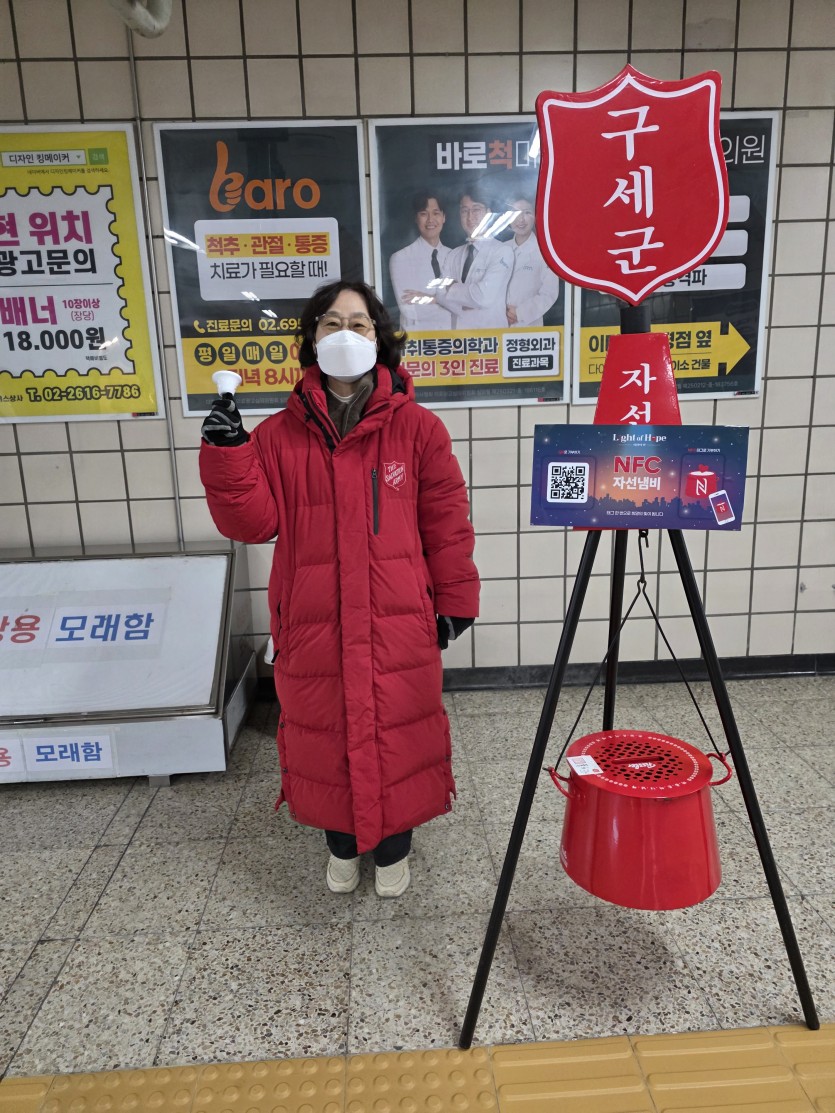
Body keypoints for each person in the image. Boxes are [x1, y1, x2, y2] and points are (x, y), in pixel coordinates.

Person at [199, 280, 479, 899]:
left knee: (401, 731)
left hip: (397, 618)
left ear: (379, 339)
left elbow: (446, 523)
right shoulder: (277, 436)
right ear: (311, 339)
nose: (345, 334)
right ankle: (342, 846)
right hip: (313, 619)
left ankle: (395, 848)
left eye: (359, 323)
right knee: (323, 736)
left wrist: (456, 602)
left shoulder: (419, 430)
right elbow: (253, 523)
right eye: (331, 323)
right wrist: (227, 454)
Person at [406, 188, 514, 329]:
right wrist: (468, 304)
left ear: (488, 213)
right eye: (464, 211)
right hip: (459, 337)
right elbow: (440, 294)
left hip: (491, 337)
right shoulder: (454, 254)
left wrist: (451, 287)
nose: (470, 217)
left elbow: (483, 297)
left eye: (476, 210)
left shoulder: (503, 251)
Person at [389, 192, 453, 330]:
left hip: (455, 338)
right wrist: (450, 304)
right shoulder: (401, 258)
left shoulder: (454, 256)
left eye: (436, 213)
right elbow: (411, 311)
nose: (430, 220)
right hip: (418, 338)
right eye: (424, 214)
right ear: (416, 218)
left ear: (444, 217)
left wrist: (431, 299)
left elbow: (467, 305)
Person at [505, 196, 560, 327]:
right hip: (497, 323)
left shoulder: (545, 252)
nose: (521, 219)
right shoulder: (500, 249)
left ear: (536, 216)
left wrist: (520, 313)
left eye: (527, 212)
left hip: (529, 326)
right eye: (515, 213)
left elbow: (549, 293)